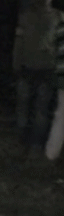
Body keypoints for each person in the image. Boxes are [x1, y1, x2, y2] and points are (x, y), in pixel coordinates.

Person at [13, 0, 59, 157]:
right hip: (27, 67)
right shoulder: (26, 16)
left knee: (41, 109)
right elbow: (18, 41)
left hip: (47, 68)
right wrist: (16, 63)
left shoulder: (59, 17)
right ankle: (21, 142)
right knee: (23, 108)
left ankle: (36, 144)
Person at [45, 10, 64, 161]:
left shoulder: (59, 27)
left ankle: (51, 152)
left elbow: (49, 47)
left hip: (62, 78)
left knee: (61, 116)